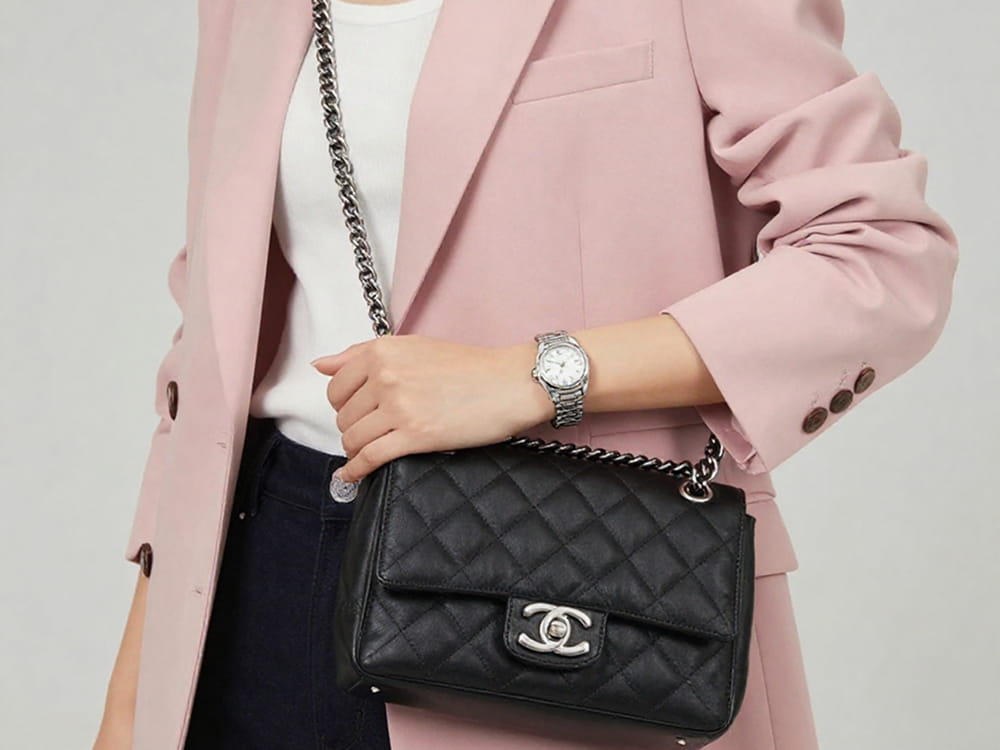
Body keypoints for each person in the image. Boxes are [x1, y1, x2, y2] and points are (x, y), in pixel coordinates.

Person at [94, 0, 959, 748]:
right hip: (256, 570)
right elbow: (211, 347)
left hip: (567, 589)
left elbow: (878, 256)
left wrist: (536, 377)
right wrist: (133, 702)